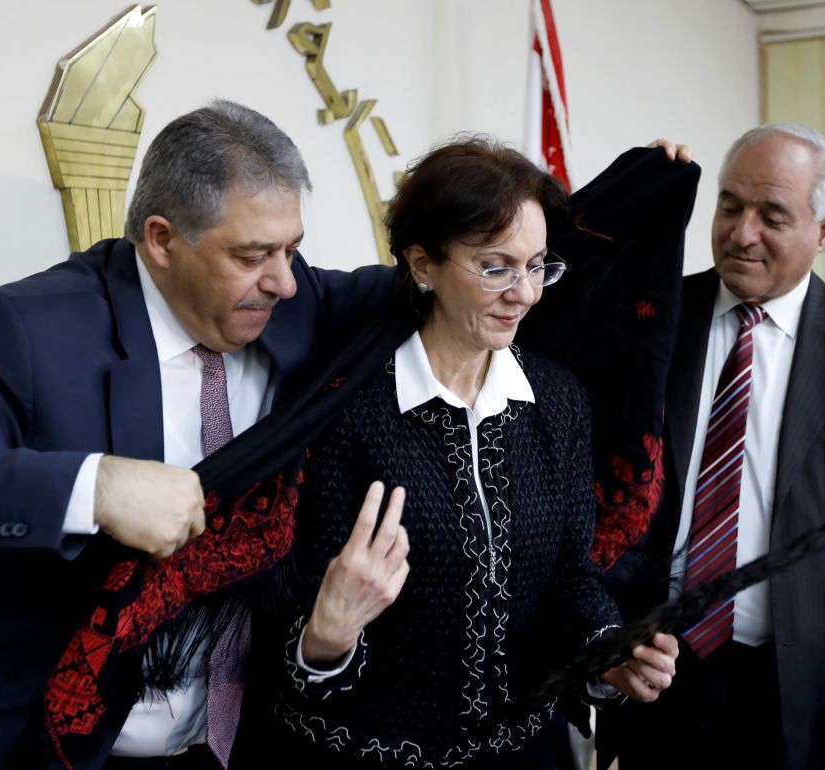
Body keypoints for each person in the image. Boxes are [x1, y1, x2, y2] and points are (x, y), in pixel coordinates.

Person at [0, 100, 393, 770]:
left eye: (292, 249)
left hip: (233, 748)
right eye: (252, 254)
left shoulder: (298, 307)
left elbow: (445, 281)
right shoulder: (16, 331)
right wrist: (96, 486)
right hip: (47, 751)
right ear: (161, 238)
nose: (284, 281)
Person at [255, 138, 680, 769]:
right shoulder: (349, 411)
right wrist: (327, 635)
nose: (526, 294)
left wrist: (605, 649)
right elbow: (284, 624)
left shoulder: (557, 402)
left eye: (538, 265)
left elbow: (571, 577)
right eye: (496, 267)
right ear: (422, 264)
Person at [604, 124, 825, 770]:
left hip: (809, 696)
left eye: (772, 215)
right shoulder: (652, 321)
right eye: (730, 205)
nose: (742, 233)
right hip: (660, 678)